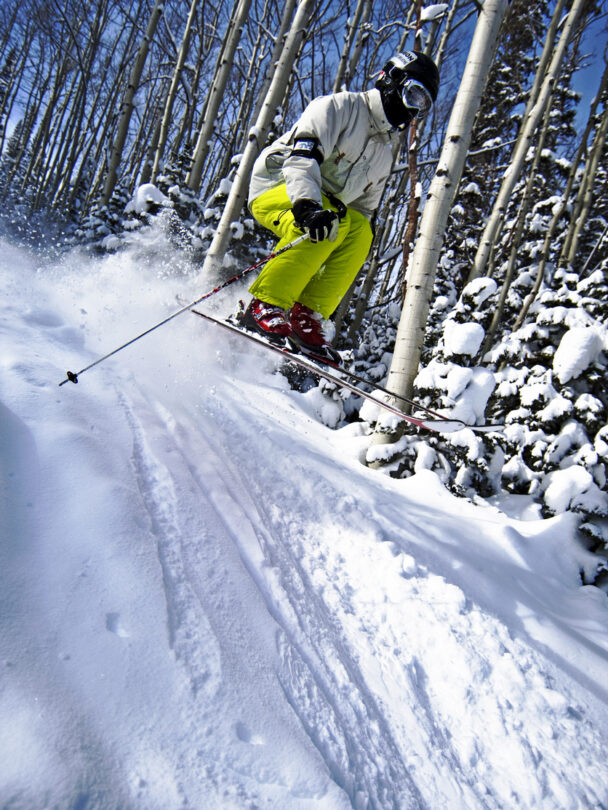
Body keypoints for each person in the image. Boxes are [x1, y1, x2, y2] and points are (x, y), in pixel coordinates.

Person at [241, 50, 440, 364]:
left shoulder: (384, 154)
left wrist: (343, 242)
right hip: (278, 185)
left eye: (422, 105)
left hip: (326, 207)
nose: (412, 109)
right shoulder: (340, 107)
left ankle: (305, 316)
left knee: (360, 231)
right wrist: (307, 206)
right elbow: (302, 156)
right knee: (333, 220)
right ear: (391, 81)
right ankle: (264, 304)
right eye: (412, 94)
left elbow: (362, 210)